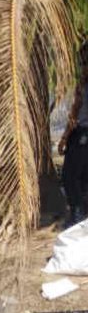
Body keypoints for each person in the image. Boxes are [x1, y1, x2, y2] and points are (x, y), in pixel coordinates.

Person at [60, 49, 88, 226]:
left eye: (84, 64)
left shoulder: (83, 86)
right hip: (81, 134)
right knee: (82, 178)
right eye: (81, 64)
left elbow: (75, 113)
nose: (82, 68)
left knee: (70, 176)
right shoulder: (83, 85)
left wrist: (64, 138)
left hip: (82, 134)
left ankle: (78, 213)